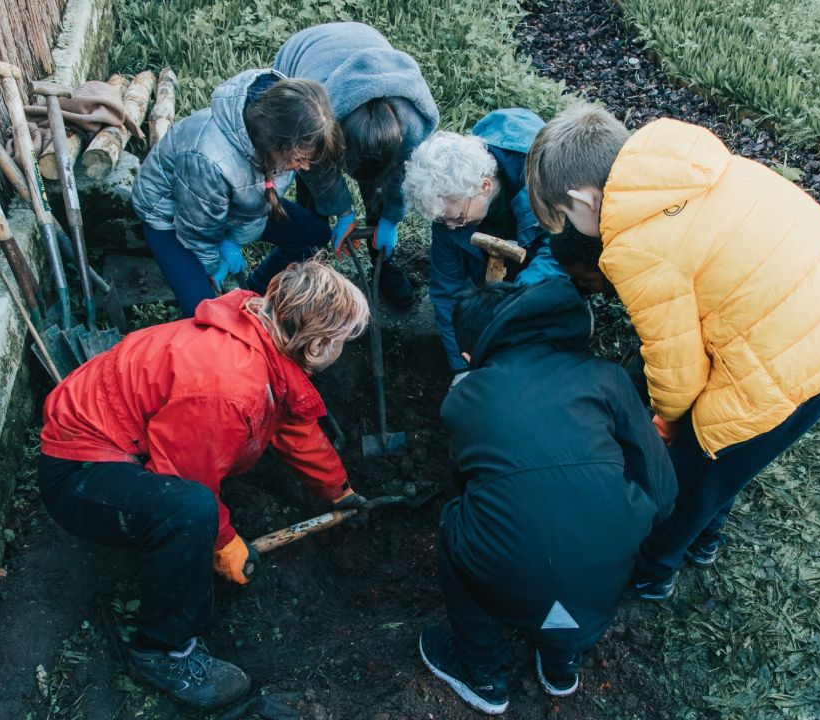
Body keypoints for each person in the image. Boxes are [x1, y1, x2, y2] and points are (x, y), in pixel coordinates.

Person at [526, 102, 820, 601]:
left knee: (691, 470)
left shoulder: (635, 241)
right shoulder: (695, 167)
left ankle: (652, 573)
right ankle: (707, 538)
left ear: (583, 197)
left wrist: (666, 423)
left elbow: (676, 375)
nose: (574, 225)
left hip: (790, 353)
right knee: (733, 456)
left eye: (567, 215)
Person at [37, 257, 370, 710]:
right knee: (191, 511)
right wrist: (226, 541)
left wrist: (338, 490)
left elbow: (292, 425)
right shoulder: (230, 388)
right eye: (339, 343)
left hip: (121, 440)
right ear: (314, 346)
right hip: (79, 472)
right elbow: (182, 477)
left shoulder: (257, 332)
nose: (340, 352)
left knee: (195, 505)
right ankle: (162, 651)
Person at [420, 279, 676, 715]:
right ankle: (561, 663)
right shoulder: (606, 377)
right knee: (575, 537)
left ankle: (481, 671)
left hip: (508, 569)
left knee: (452, 523)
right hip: (606, 569)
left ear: (470, 354)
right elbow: (662, 489)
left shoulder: (463, 401)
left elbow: (463, 485)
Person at [132, 69, 343, 316]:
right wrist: (213, 264)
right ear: (274, 143)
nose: (305, 167)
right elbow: (196, 232)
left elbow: (257, 204)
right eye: (299, 159)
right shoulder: (209, 158)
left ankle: (256, 294)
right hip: (172, 216)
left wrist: (233, 240)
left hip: (227, 205)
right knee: (203, 313)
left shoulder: (285, 130)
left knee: (313, 236)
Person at [274, 21, 440, 309]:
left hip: (366, 41)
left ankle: (382, 264)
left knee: (379, 187)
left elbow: (401, 176)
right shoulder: (316, 119)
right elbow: (317, 171)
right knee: (312, 191)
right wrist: (343, 212)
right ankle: (309, 267)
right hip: (305, 55)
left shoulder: (412, 125)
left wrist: (390, 218)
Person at [402, 109, 569, 373]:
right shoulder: (447, 210)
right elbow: (447, 292)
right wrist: (462, 369)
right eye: (442, 220)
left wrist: (513, 298)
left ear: (484, 187)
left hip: (538, 270)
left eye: (457, 217)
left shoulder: (542, 184)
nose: (450, 226)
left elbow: (561, 250)